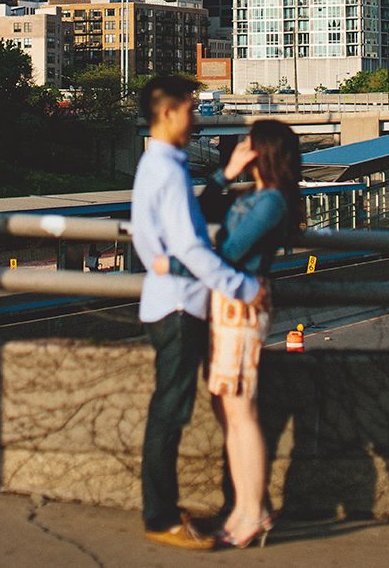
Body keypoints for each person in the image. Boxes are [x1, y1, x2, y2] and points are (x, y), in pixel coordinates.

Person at [151, 119, 301, 549]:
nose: (241, 145)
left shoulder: (271, 201)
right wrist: (224, 174)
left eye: (249, 144)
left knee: (240, 412)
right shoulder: (253, 194)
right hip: (226, 303)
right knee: (226, 409)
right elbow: (200, 212)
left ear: (264, 151)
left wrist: (172, 266)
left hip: (243, 305)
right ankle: (244, 508)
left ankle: (254, 511)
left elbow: (229, 255)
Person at [131, 75, 262, 552]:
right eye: (191, 109)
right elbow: (189, 244)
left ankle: (168, 509)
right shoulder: (165, 170)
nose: (197, 118)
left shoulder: (158, 164)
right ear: (168, 113)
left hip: (169, 301)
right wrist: (241, 286)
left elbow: (170, 240)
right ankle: (161, 517)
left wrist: (226, 175)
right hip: (180, 307)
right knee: (170, 413)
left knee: (173, 408)